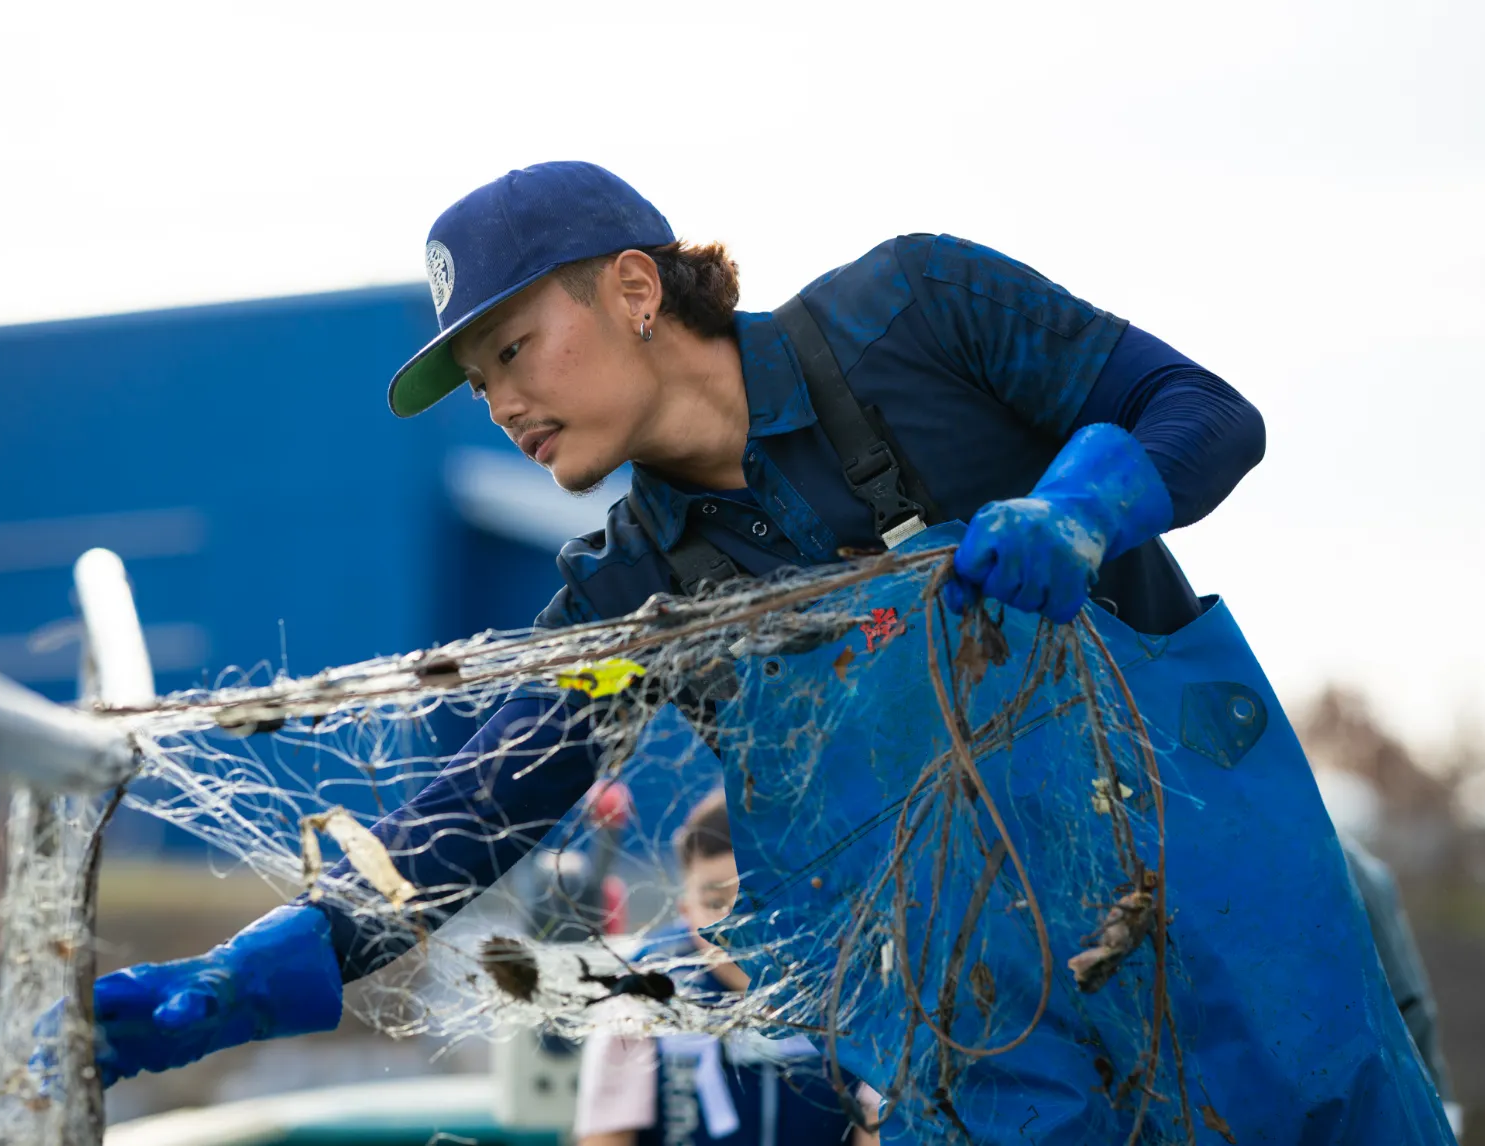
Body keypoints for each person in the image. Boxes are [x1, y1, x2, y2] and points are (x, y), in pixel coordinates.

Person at [80, 160, 1273, 1087]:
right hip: (979, 1030)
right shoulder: (633, 599)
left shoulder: (921, 310)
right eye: (477, 381)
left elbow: (1202, 409)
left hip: (1218, 918)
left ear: (636, 289)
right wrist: (273, 959)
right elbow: (493, 792)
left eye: (510, 349)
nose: (500, 402)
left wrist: (1079, 513)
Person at [575, 791, 878, 1146]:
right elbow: (605, 1137)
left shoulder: (858, 987)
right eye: (715, 902)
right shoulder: (643, 991)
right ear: (686, 911)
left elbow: (875, 1131)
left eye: (760, 899)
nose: (736, 926)